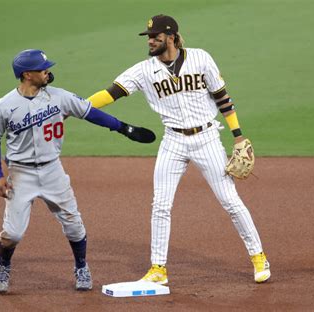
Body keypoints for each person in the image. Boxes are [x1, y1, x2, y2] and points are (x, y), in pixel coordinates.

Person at [87, 14, 271, 284]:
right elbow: (110, 93)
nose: (150, 41)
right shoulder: (143, 70)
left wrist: (238, 136)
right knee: (160, 205)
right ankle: (158, 269)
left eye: (155, 36)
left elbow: (223, 98)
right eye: (149, 36)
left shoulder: (200, 58)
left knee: (230, 201)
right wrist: (77, 106)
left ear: (171, 37)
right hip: (172, 141)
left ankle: (259, 257)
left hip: (207, 138)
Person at [0, 49, 155, 293]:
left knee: (74, 224)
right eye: (42, 69)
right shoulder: (5, 106)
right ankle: (3, 264)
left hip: (53, 170)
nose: (48, 72)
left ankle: (81, 266)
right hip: (21, 174)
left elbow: (91, 113)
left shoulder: (59, 97)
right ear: (27, 75)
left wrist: (123, 128)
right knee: (12, 234)